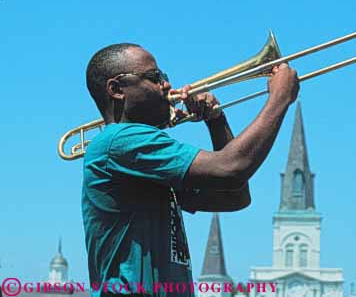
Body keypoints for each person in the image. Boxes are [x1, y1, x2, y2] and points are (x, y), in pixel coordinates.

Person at [82, 43, 299, 297]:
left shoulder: (141, 159)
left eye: (164, 76)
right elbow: (232, 168)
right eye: (154, 78)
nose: (166, 85)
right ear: (117, 90)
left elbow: (236, 196)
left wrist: (216, 121)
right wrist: (279, 98)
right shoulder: (120, 140)